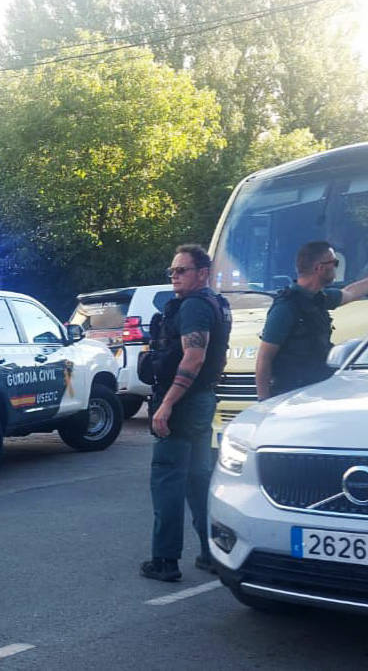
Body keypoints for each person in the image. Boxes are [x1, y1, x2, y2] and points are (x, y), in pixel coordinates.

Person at [142, 245, 231, 582]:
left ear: (202, 273)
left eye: (182, 271)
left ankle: (164, 560)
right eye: (172, 271)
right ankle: (213, 553)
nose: (175, 277)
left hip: (183, 403)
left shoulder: (194, 306)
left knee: (167, 479)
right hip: (201, 400)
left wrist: (167, 404)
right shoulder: (215, 303)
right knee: (197, 479)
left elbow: (193, 357)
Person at [255, 241, 368, 400]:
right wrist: (263, 402)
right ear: (320, 268)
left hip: (317, 390)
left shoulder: (319, 298)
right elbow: (264, 358)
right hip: (291, 395)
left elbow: (349, 293)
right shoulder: (286, 307)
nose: (336, 268)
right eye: (334, 263)